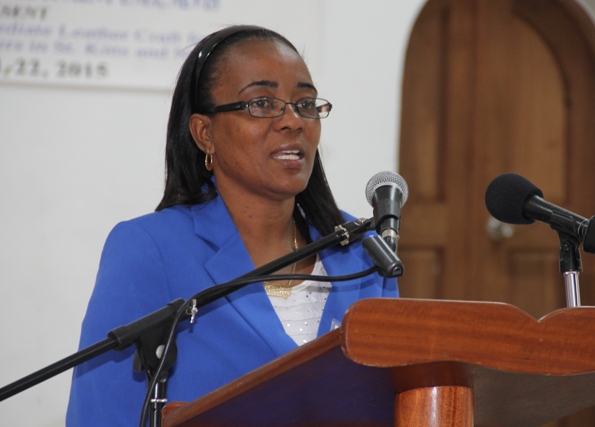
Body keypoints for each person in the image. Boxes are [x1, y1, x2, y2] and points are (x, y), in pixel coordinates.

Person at [66, 25, 398, 426]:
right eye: (261, 103)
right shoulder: (150, 249)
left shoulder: (363, 250)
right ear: (205, 133)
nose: (292, 121)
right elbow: (103, 411)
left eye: (306, 103)